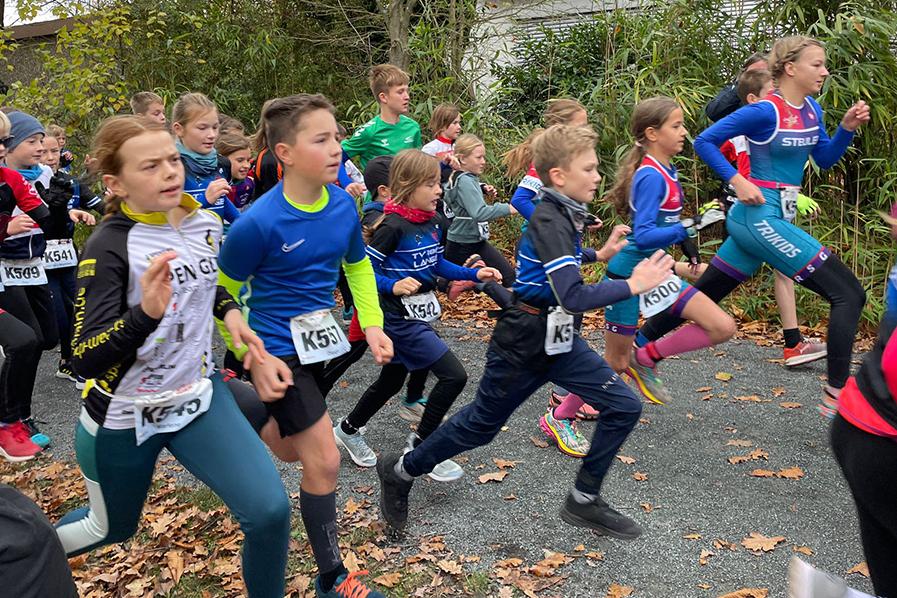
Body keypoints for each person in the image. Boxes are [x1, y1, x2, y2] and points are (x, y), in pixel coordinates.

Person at [377, 124, 673, 539]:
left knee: (624, 405)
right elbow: (571, 293)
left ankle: (584, 498)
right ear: (558, 176)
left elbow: (555, 266)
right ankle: (401, 470)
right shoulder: (550, 217)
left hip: (560, 337)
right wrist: (632, 285)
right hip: (524, 339)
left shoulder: (566, 212)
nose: (597, 176)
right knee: (480, 426)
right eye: (588, 169)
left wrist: (599, 253)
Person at [55, 115, 291, 598]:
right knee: (111, 530)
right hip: (124, 416)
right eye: (150, 166)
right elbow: (82, 358)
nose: (169, 173)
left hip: (199, 398)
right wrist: (144, 314)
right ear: (115, 183)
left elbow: (208, 285)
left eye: (172, 160)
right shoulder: (109, 245)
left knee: (269, 511)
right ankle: (20, 552)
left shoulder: (203, 221)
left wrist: (230, 314)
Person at [636, 35, 870, 416]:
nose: (825, 71)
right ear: (790, 68)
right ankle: (838, 395)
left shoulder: (812, 109)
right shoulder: (765, 111)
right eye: (817, 64)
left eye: (824, 64)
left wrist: (845, 128)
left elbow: (824, 159)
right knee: (849, 294)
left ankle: (639, 351)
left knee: (705, 294)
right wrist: (737, 180)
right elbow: (706, 142)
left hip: (770, 215)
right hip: (759, 214)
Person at [218, 93, 393, 598]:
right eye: (322, 139)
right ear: (286, 152)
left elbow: (357, 265)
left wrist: (373, 324)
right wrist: (253, 354)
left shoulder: (343, 204)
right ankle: (332, 579)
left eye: (337, 136)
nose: (338, 146)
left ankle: (247, 409)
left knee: (295, 453)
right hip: (274, 350)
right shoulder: (257, 223)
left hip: (319, 344)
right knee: (323, 459)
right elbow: (223, 292)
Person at [333, 149, 501, 480]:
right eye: (431, 184)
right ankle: (422, 446)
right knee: (454, 375)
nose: (439, 190)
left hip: (417, 314)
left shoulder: (435, 221)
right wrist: (392, 285)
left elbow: (436, 263)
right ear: (407, 186)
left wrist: (471, 275)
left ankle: (348, 428)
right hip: (394, 318)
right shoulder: (391, 226)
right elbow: (362, 269)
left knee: (392, 380)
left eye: (439, 183)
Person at [720, 67, 827, 367]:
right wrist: (738, 185)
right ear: (754, 99)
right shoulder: (751, 125)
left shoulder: (786, 117)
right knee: (728, 276)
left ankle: (793, 343)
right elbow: (717, 141)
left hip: (779, 202)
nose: (781, 98)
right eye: (773, 92)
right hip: (754, 207)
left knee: (771, 272)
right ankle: (671, 312)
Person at [505, 98, 597, 422]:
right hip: (547, 250)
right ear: (562, 128)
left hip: (563, 244)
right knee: (564, 317)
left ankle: (558, 391)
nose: (586, 129)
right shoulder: (544, 163)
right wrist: (548, 225)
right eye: (581, 124)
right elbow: (520, 199)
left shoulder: (570, 161)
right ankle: (558, 400)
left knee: (567, 319)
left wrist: (580, 220)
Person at [40, 126, 101, 387]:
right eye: (45, 152)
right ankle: (67, 359)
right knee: (60, 315)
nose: (51, 156)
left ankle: (73, 362)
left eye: (55, 151)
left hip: (67, 256)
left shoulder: (71, 182)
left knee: (81, 307)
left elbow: (101, 205)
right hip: (39, 258)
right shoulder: (30, 184)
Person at [443, 133, 517, 306]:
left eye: (483, 156)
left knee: (508, 276)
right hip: (463, 242)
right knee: (440, 280)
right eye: (479, 157)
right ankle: (472, 283)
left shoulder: (459, 176)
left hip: (468, 239)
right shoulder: (466, 181)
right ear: (462, 158)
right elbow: (479, 213)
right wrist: (508, 208)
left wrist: (481, 188)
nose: (484, 161)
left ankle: (513, 310)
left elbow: (455, 196)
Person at [171, 92, 240, 224]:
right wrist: (205, 200)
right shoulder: (171, 167)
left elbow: (223, 204)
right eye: (202, 128)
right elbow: (167, 221)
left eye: (215, 127)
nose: (212, 135)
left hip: (213, 244)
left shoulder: (222, 164)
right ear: (179, 129)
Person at [341, 64, 422, 171]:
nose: (407, 97)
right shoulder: (369, 132)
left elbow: (420, 166)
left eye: (407, 91)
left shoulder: (413, 127)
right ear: (383, 97)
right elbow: (335, 158)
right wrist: (347, 184)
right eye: (400, 92)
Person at [705, 52, 769, 122]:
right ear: (744, 72)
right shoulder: (734, 90)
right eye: (753, 73)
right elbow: (713, 112)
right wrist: (742, 85)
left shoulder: (777, 93)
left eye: (763, 73)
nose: (757, 77)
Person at [215, 132, 255, 211]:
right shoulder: (210, 185)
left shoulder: (249, 184)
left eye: (248, 160)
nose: (247, 165)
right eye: (240, 160)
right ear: (222, 159)